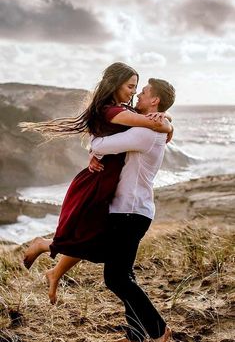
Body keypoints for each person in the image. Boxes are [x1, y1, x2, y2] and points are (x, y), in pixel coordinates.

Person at [21, 63, 172, 305]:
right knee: (86, 235)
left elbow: (141, 124)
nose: (135, 93)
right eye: (131, 87)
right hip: (99, 180)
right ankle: (45, 248)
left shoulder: (124, 108)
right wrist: (166, 123)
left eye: (138, 89)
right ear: (116, 84)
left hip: (109, 181)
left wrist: (165, 118)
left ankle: (53, 268)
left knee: (91, 238)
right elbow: (148, 126)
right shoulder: (112, 111)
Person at [90, 78, 175, 342]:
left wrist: (94, 144)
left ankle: (159, 331)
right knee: (124, 274)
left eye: (144, 92)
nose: (138, 94)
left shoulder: (145, 132)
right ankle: (136, 335)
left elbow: (101, 145)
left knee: (115, 278)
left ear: (155, 101)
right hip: (133, 210)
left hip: (130, 211)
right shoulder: (153, 127)